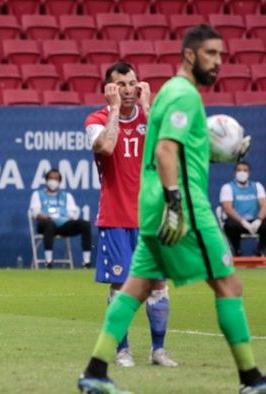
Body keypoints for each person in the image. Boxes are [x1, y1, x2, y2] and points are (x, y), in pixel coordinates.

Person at [78, 24, 264, 394]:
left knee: (135, 287)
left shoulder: (162, 96)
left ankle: (95, 371)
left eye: (222, 55)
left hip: (147, 209)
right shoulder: (183, 95)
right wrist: (176, 203)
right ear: (190, 55)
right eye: (211, 54)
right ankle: (252, 379)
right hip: (183, 207)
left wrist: (216, 152)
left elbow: (174, 147)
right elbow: (164, 151)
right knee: (229, 284)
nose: (219, 63)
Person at [84, 62, 177, 368]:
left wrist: (148, 107)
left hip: (151, 218)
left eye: (132, 83)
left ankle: (158, 350)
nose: (127, 90)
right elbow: (107, 147)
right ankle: (123, 350)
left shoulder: (151, 117)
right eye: (120, 84)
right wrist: (113, 111)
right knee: (121, 285)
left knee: (158, 285)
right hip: (115, 217)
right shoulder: (95, 120)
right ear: (109, 88)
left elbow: (165, 150)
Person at [29, 169, 92, 268]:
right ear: (46, 180)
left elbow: (72, 214)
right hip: (45, 224)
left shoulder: (67, 196)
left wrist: (66, 218)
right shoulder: (38, 194)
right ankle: (49, 261)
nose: (53, 181)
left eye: (56, 179)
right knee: (49, 224)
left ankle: (86, 261)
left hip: (63, 225)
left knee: (85, 224)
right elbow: (35, 213)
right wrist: (47, 217)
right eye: (51, 178)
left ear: (59, 181)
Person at [219, 160, 266, 256]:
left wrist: (259, 220)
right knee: (230, 225)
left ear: (249, 173)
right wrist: (243, 222)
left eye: (245, 170)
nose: (242, 173)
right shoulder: (228, 187)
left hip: (254, 221)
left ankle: (259, 251)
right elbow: (227, 208)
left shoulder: (257, 186)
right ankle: (237, 251)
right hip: (238, 222)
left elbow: (264, 205)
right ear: (235, 173)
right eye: (239, 170)